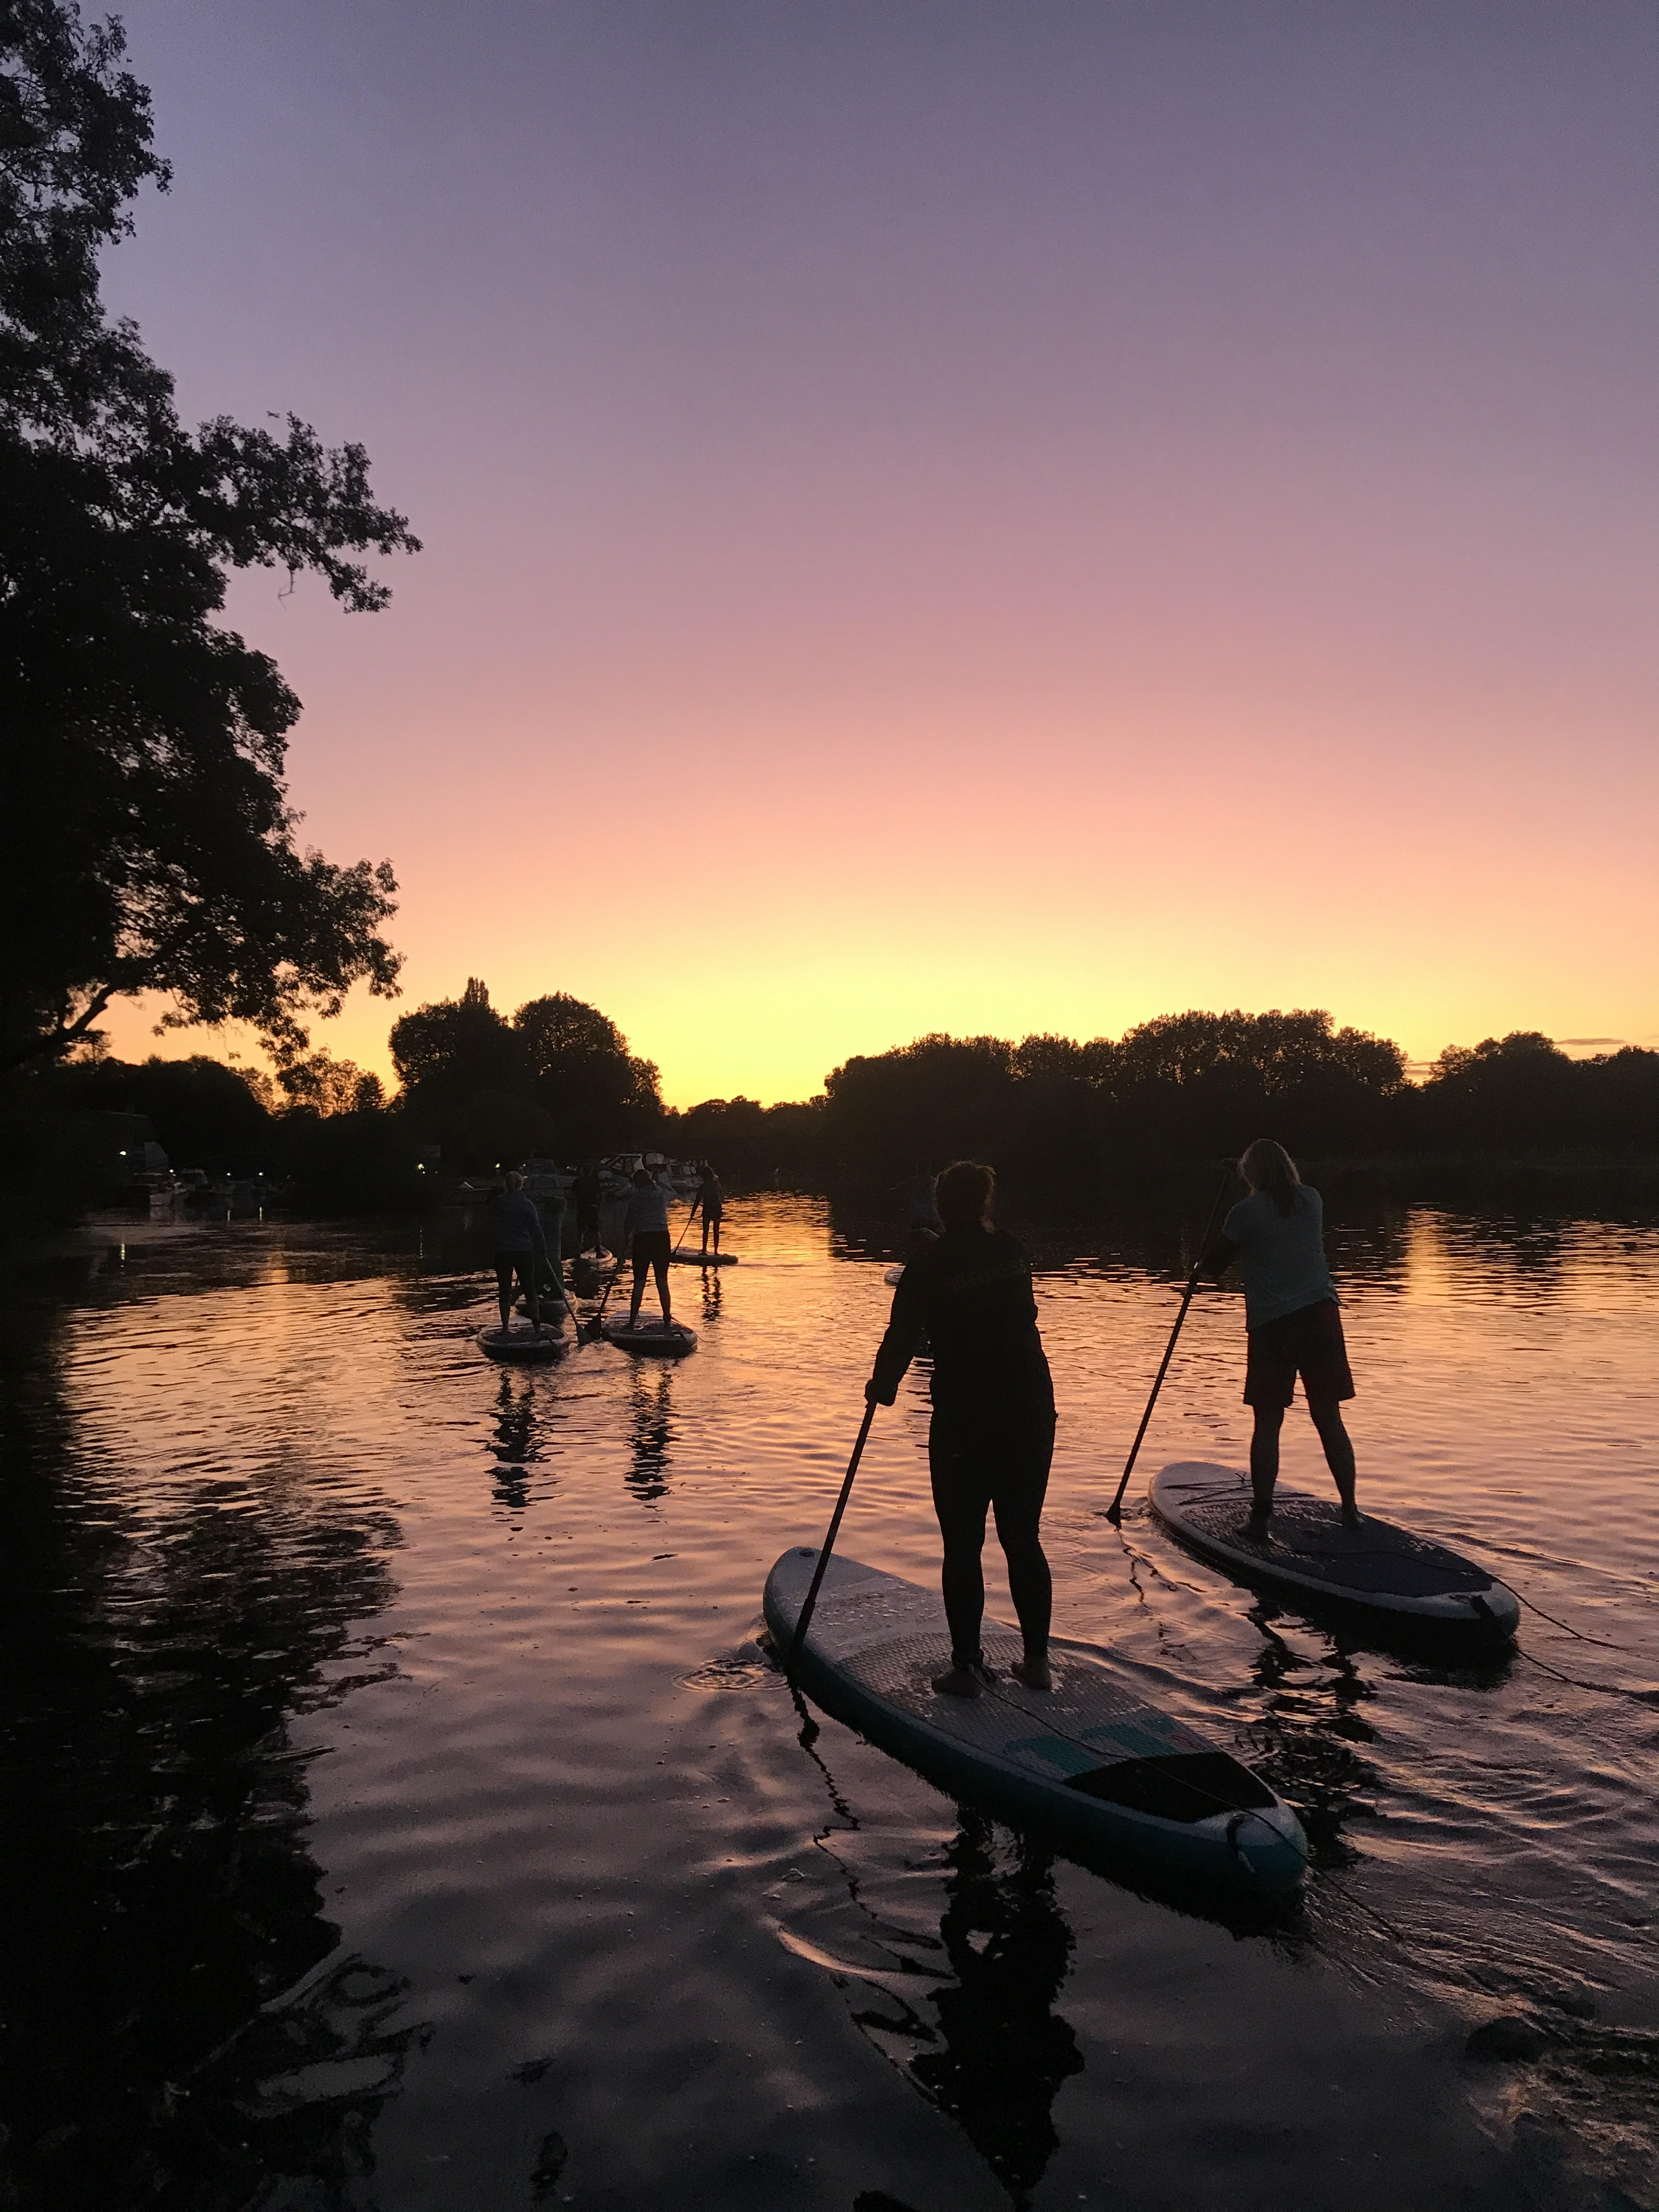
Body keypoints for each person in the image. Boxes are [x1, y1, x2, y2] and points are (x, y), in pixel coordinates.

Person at [866, 1160, 1056, 1699]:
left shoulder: (929, 1267)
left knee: (963, 1544)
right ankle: (1037, 1663)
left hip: (966, 1419)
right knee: (1023, 1538)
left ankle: (968, 1668)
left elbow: (901, 1337)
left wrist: (881, 1387)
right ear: (986, 1204)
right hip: (1030, 1409)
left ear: (942, 1208)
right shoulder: (1014, 1252)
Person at [1200, 1138, 1360, 1530]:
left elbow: (1214, 1267)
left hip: (1274, 1325)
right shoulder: (1312, 1200)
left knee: (1268, 1423)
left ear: (1249, 1175)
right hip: (1321, 1317)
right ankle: (1350, 1509)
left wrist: (1198, 1266)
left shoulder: (1244, 1212)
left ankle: (1260, 1518)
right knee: (1329, 1417)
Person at [491, 1169, 548, 1335]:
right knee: (529, 1287)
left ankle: (505, 1327)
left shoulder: (499, 1203)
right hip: (524, 1250)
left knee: (504, 1289)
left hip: (503, 1251)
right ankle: (537, 1325)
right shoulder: (528, 1204)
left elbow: (493, 1221)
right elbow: (536, 1229)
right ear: (520, 1185)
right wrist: (542, 1247)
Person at [623, 1166, 674, 1331]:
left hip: (643, 1239)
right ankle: (667, 1320)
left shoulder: (636, 1198)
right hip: (661, 1238)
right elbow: (674, 1192)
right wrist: (659, 1182)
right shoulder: (661, 1194)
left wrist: (626, 1239)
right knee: (662, 1281)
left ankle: (631, 1323)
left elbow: (628, 1223)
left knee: (639, 1283)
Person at [695, 1161, 724, 1255]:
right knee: (716, 1231)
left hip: (708, 1208)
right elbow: (721, 1195)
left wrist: (693, 1213)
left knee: (706, 1231)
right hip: (716, 1208)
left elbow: (697, 1200)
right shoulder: (717, 1184)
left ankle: (704, 1250)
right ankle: (715, 1251)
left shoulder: (703, 1186)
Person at [574, 1161, 603, 1256]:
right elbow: (599, 1196)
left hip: (582, 1209)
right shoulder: (595, 1181)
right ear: (591, 1172)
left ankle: (578, 1251)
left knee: (580, 1231)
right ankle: (598, 1251)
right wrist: (598, 1206)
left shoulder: (577, 1182)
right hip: (592, 1208)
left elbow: (573, 1194)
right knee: (596, 1231)